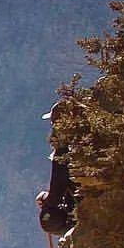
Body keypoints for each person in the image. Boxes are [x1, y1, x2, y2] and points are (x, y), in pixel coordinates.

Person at [36, 101, 77, 237]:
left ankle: (71, 234)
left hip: (79, 202)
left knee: (48, 220)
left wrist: (47, 201)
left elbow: (59, 182)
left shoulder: (63, 150)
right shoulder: (82, 140)